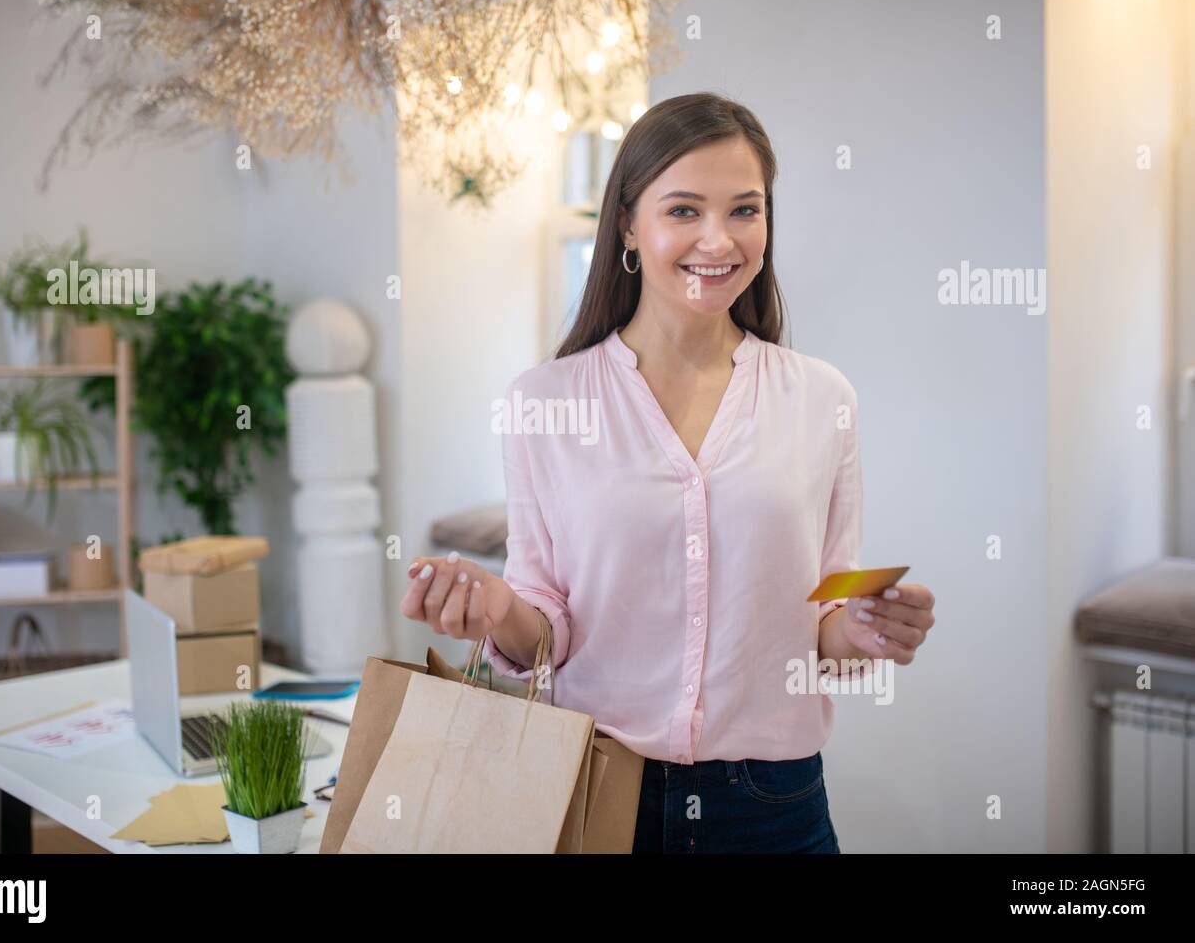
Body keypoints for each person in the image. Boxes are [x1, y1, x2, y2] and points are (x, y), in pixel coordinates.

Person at [401, 92, 936, 853]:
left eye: (744, 211)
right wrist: (495, 611)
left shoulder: (823, 399)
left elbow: (822, 615)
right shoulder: (544, 402)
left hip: (773, 805)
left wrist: (866, 628)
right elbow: (543, 621)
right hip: (594, 790)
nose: (718, 240)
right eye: (683, 210)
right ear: (627, 223)